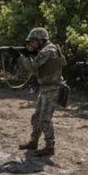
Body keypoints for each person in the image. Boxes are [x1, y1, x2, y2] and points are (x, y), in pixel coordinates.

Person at [18, 27, 67, 157]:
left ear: (40, 40)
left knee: (45, 119)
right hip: (45, 88)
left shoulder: (47, 51)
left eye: (33, 41)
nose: (31, 44)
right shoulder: (46, 49)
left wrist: (20, 57)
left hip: (52, 89)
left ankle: (50, 146)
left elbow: (31, 66)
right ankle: (34, 141)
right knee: (36, 117)